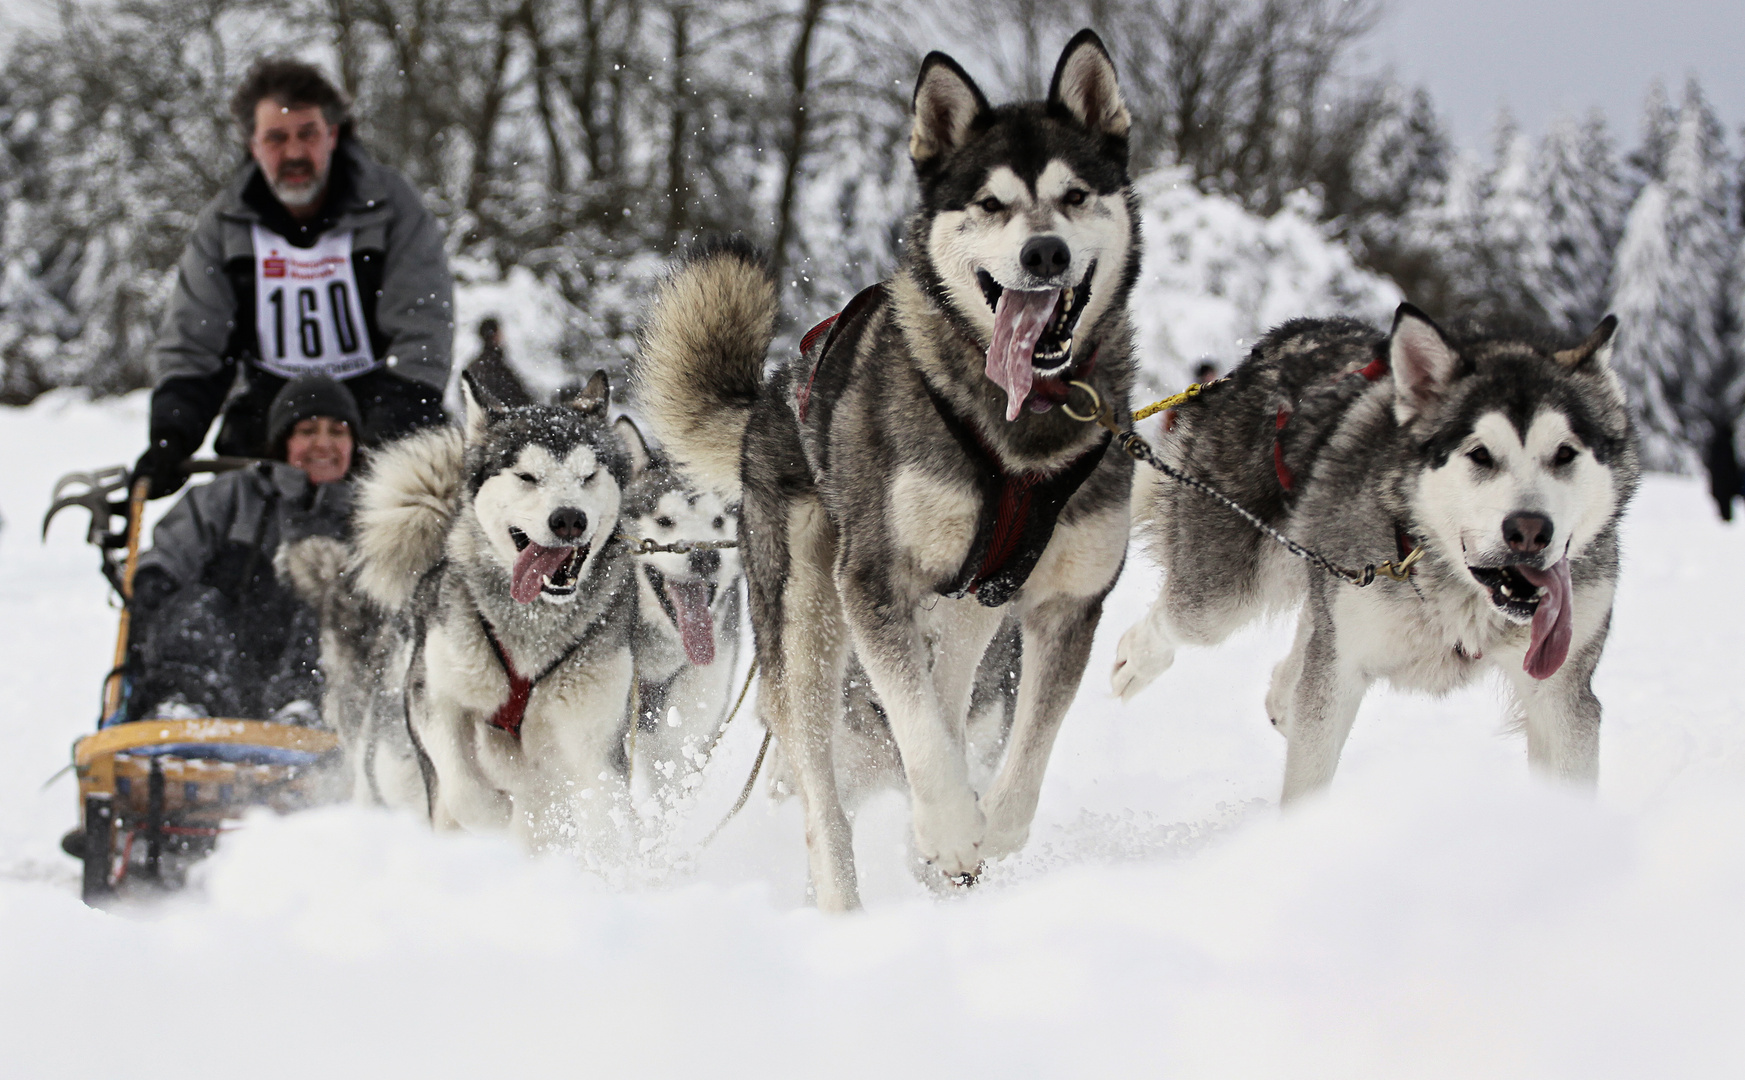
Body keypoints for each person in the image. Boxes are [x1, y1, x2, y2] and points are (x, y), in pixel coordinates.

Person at [134, 57, 453, 501]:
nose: (295, 154)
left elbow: (422, 330)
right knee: (236, 531)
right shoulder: (226, 225)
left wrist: (386, 432)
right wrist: (172, 436)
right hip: (269, 415)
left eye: (307, 134)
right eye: (277, 138)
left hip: (383, 405)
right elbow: (196, 344)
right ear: (252, 143)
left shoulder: (391, 208)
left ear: (333, 135)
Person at [126, 375, 360, 723]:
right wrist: (154, 579)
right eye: (308, 431)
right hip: (227, 656)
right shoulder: (232, 496)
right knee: (195, 605)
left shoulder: (371, 515)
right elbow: (173, 551)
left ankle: (303, 712)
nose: (323, 444)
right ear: (284, 441)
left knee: (326, 606)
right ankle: (182, 705)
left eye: (337, 431)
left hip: (325, 682)